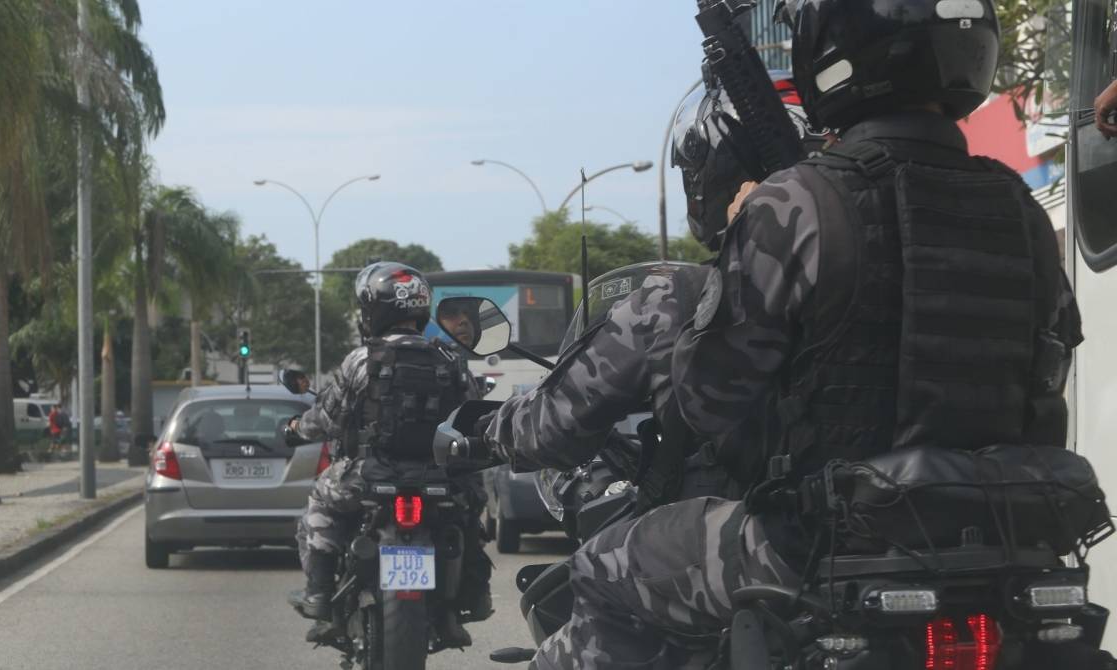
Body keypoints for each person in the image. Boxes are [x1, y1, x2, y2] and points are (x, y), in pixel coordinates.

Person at [522, 1, 1083, 667]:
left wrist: (736, 255)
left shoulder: (797, 202)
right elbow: (1048, 377)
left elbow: (707, 400)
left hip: (826, 543)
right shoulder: (1015, 204)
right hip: (1008, 537)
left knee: (603, 571)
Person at [477, 76, 817, 515]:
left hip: (754, 545)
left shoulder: (676, 302)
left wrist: (488, 429)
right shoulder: (880, 282)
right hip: (898, 531)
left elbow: (554, 426)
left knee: (592, 573)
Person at [291, 262, 490, 647]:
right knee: (471, 512)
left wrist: (296, 429)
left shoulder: (361, 361)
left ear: (372, 310)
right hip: (440, 481)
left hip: (367, 477)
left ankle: (318, 595)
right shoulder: (451, 361)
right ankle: (469, 598)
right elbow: (474, 420)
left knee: (320, 502)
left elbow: (327, 418)